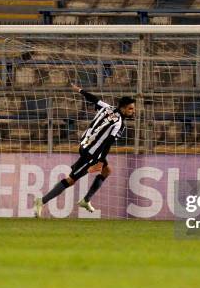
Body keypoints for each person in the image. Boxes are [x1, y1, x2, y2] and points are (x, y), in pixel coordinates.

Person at [34, 83, 136, 216]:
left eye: (133, 109)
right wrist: (99, 161)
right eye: (130, 109)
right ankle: (41, 201)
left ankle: (86, 200)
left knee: (107, 170)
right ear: (122, 108)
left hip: (85, 144)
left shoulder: (108, 108)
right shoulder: (119, 124)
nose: (133, 111)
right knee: (71, 180)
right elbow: (108, 143)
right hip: (92, 154)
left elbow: (93, 99)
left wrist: (80, 90)